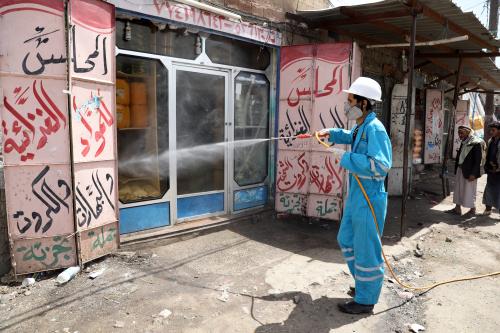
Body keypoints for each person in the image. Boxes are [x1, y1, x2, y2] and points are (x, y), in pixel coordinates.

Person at [318, 77, 392, 314]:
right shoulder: (362, 126)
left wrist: (344, 157)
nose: (346, 104)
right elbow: (351, 137)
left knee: (366, 247)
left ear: (365, 103)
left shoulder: (375, 128)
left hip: (370, 197)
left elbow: (381, 165)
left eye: (350, 100)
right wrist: (332, 133)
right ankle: (363, 284)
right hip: (357, 195)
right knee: (347, 239)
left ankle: (366, 300)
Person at [446, 125, 484, 216]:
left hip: (470, 172)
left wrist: (474, 173)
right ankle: (457, 208)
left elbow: (478, 160)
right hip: (461, 169)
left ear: (467, 132)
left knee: (469, 190)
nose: (460, 135)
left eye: (461, 133)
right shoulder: (464, 141)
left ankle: (472, 209)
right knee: (458, 189)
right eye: (459, 133)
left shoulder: (476, 143)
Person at [482, 121, 500, 215]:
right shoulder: (491, 140)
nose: (491, 132)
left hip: (498, 170)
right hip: (491, 169)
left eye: (493, 130)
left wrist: (498, 167)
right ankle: (488, 209)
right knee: (489, 189)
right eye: (491, 130)